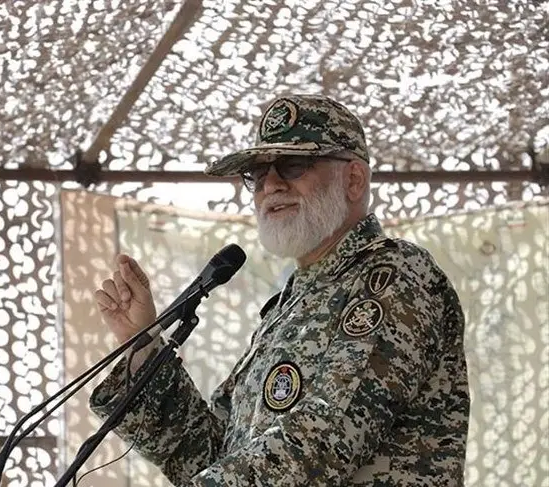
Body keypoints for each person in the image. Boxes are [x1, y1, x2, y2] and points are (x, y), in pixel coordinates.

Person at [88, 94, 469, 486]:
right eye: (257, 174)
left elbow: (325, 440)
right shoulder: (290, 305)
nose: (270, 185)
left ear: (354, 180)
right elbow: (209, 455)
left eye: (293, 165)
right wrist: (143, 344)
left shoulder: (396, 275)